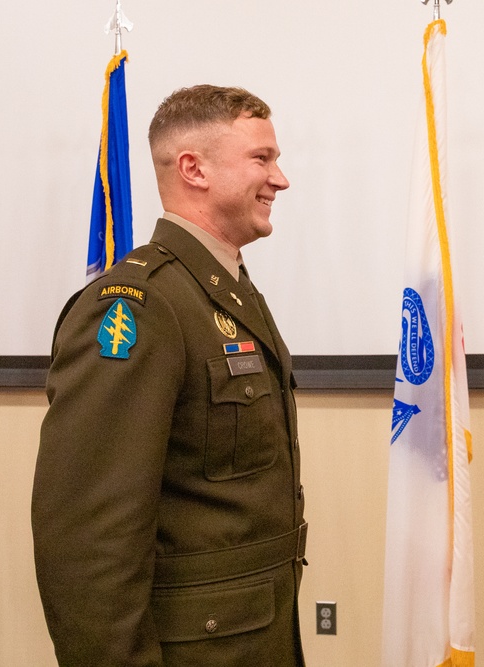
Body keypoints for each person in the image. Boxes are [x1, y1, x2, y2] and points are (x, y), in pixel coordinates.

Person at [32, 85, 307, 666]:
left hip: (254, 635)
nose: (280, 179)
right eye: (262, 158)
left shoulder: (224, 290)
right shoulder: (138, 307)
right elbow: (89, 542)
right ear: (194, 169)